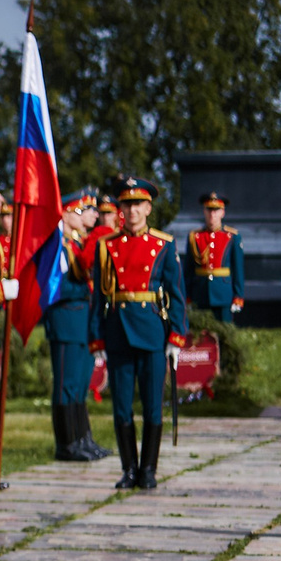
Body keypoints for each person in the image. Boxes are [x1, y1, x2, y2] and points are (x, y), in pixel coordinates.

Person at [93, 177, 188, 490]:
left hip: (151, 331)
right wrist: (96, 338)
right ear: (120, 208)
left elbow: (176, 293)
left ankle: (148, 469)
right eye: (126, 204)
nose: (132, 210)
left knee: (151, 404)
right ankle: (129, 469)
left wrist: (176, 336)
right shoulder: (106, 246)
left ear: (148, 207)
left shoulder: (163, 244)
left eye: (138, 204)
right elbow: (98, 299)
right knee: (121, 405)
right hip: (118, 330)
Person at [47, 190, 108, 461]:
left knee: (81, 382)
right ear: (66, 213)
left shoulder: (78, 243)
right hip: (66, 318)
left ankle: (82, 438)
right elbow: (54, 287)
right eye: (85, 211)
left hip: (82, 318)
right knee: (66, 383)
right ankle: (67, 443)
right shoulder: (57, 245)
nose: (93, 215)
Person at [186, 192, 246, 324]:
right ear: (204, 211)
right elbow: (188, 270)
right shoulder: (194, 237)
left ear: (222, 212)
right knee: (200, 337)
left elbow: (238, 270)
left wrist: (238, 296)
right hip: (200, 294)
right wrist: (188, 296)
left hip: (223, 295)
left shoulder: (232, 236)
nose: (212, 214)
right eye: (209, 210)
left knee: (224, 334)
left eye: (216, 210)